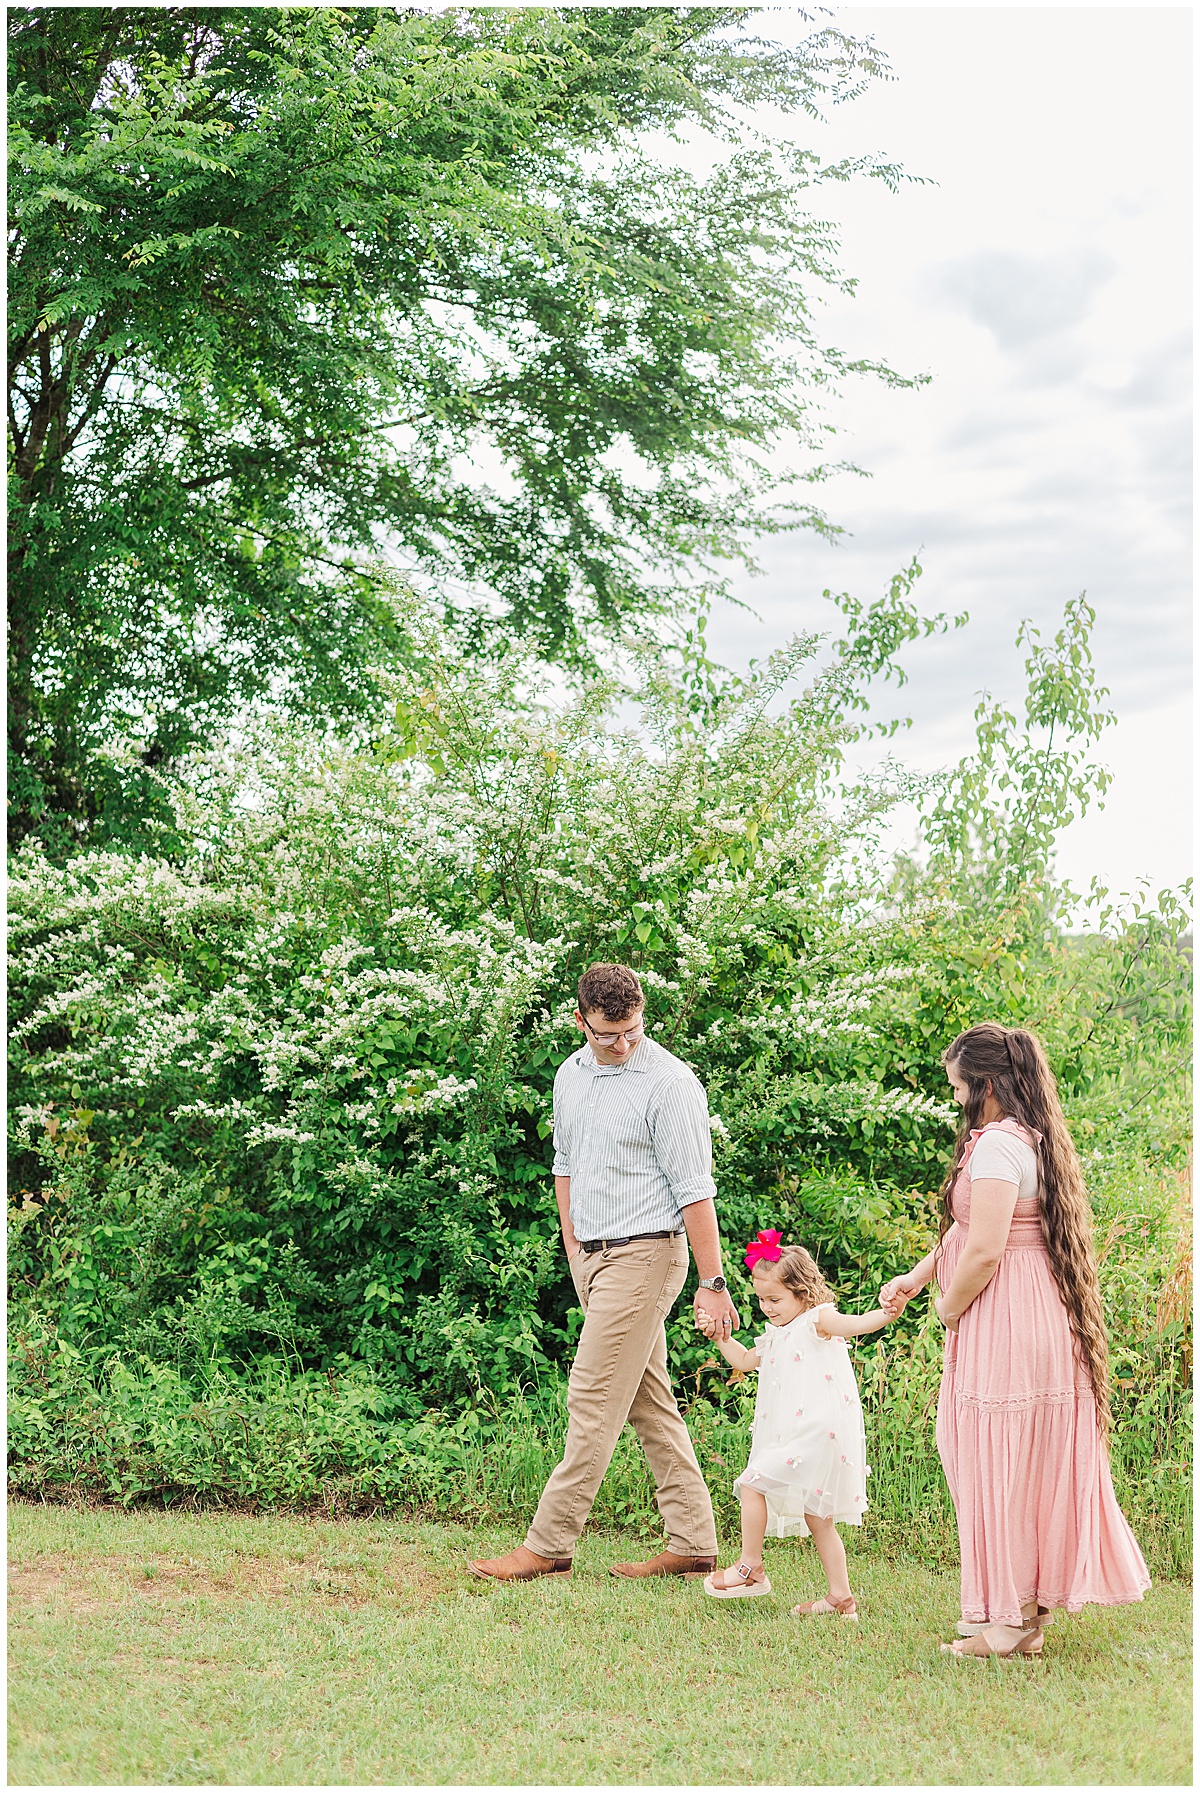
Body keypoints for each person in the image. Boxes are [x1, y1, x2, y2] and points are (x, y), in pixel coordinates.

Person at [880, 1023, 1151, 1659]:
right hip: (1038, 1315)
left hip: (1006, 1317)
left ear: (988, 1086)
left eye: (959, 1090)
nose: (956, 1103)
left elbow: (983, 1250)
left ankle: (1003, 1622)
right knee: (1023, 1459)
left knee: (992, 1458)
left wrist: (948, 1305)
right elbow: (965, 1233)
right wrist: (918, 1279)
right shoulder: (1027, 1140)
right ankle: (1024, 1616)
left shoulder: (999, 1148)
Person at [469, 962, 739, 1583]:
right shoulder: (570, 1075)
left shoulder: (671, 1084)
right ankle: (695, 1541)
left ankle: (549, 1544)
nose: (622, 1044)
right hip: (592, 1255)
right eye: (607, 1034)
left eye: (633, 1032)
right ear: (581, 1021)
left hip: (649, 1253)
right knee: (650, 1403)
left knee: (591, 1396)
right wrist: (573, 1248)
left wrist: (713, 1281)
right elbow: (565, 1164)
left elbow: (695, 1189)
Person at [697, 1230, 901, 1616]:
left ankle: (750, 1568)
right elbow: (742, 1361)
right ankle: (841, 1599)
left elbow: (856, 1323)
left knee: (751, 1482)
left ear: (802, 1293)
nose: (767, 1308)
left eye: (775, 1299)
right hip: (797, 1435)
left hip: (818, 1431)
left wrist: (887, 1313)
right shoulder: (776, 1334)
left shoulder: (816, 1320)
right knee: (818, 1516)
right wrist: (720, 1335)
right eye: (761, 1300)